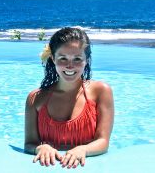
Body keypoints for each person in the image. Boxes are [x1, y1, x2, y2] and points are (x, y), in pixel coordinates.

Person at [24, 27, 114, 168]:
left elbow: (103, 141)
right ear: (53, 58)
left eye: (77, 59)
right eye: (63, 58)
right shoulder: (36, 98)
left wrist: (83, 149)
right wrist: (40, 148)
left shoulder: (101, 92)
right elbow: (29, 143)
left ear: (86, 60)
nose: (70, 66)